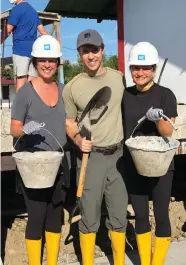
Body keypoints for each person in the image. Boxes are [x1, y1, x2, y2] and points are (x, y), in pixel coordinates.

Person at [62, 29, 128, 265]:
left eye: (95, 50)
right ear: (79, 53)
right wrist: (78, 139)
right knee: (89, 218)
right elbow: (69, 122)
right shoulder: (71, 87)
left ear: (102, 50)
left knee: (119, 215)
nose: (91, 56)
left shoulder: (119, 78)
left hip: (118, 157)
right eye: (85, 51)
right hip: (92, 159)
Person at [10, 35, 69, 265]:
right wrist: (26, 128)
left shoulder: (64, 90)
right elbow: (14, 129)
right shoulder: (25, 92)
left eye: (52, 60)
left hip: (58, 165)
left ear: (57, 63)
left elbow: (69, 123)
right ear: (34, 62)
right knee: (36, 217)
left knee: (55, 216)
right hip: (33, 168)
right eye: (42, 60)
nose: (47, 64)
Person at [122, 42, 178, 265]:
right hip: (134, 165)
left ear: (153, 69)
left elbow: (168, 132)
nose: (140, 72)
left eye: (145, 68)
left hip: (161, 166)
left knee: (162, 216)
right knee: (141, 217)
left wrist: (160, 118)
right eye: (136, 67)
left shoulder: (166, 95)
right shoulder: (125, 95)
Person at [1, 0, 47, 91]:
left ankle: (20, 105)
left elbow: (8, 30)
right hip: (34, 52)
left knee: (21, 80)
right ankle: (33, 104)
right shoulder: (33, 11)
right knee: (33, 81)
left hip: (20, 51)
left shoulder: (16, 10)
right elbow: (44, 32)